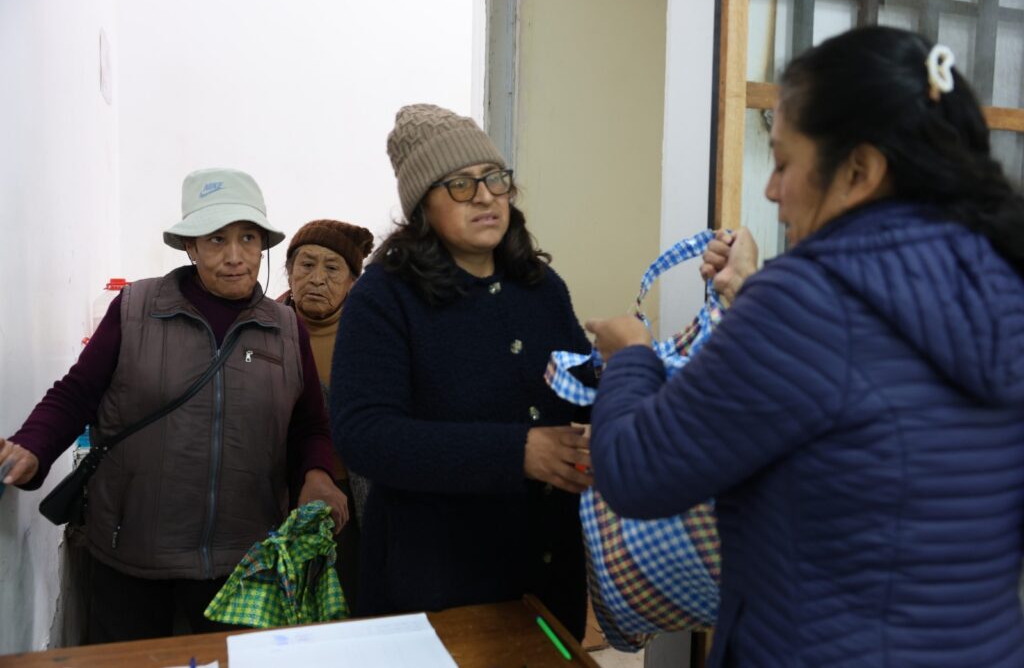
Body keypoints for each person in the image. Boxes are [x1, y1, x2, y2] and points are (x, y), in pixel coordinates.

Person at [586, 26, 1024, 666]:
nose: (771, 190)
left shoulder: (807, 299)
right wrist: (753, 292)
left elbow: (635, 472)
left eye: (784, 163)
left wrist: (630, 356)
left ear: (860, 169)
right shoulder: (1004, 282)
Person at [0, 167, 348, 643]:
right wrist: (32, 445)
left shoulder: (286, 331)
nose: (234, 256)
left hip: (243, 561)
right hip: (132, 554)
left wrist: (317, 474)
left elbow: (309, 425)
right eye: (215, 239)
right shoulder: (136, 308)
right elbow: (77, 391)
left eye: (248, 238)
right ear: (190, 246)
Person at [330, 104, 594, 639]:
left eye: (494, 178)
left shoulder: (541, 289)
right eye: (458, 184)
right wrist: (517, 452)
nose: (485, 196)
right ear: (421, 205)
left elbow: (583, 391)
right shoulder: (384, 297)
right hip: (435, 589)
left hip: (546, 581)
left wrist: (635, 374)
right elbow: (365, 435)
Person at [279, 218, 374, 609]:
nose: (317, 278)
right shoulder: (264, 327)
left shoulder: (372, 337)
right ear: (288, 271)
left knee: (347, 607)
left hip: (349, 506)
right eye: (306, 264)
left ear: (353, 281)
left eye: (332, 268)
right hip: (280, 499)